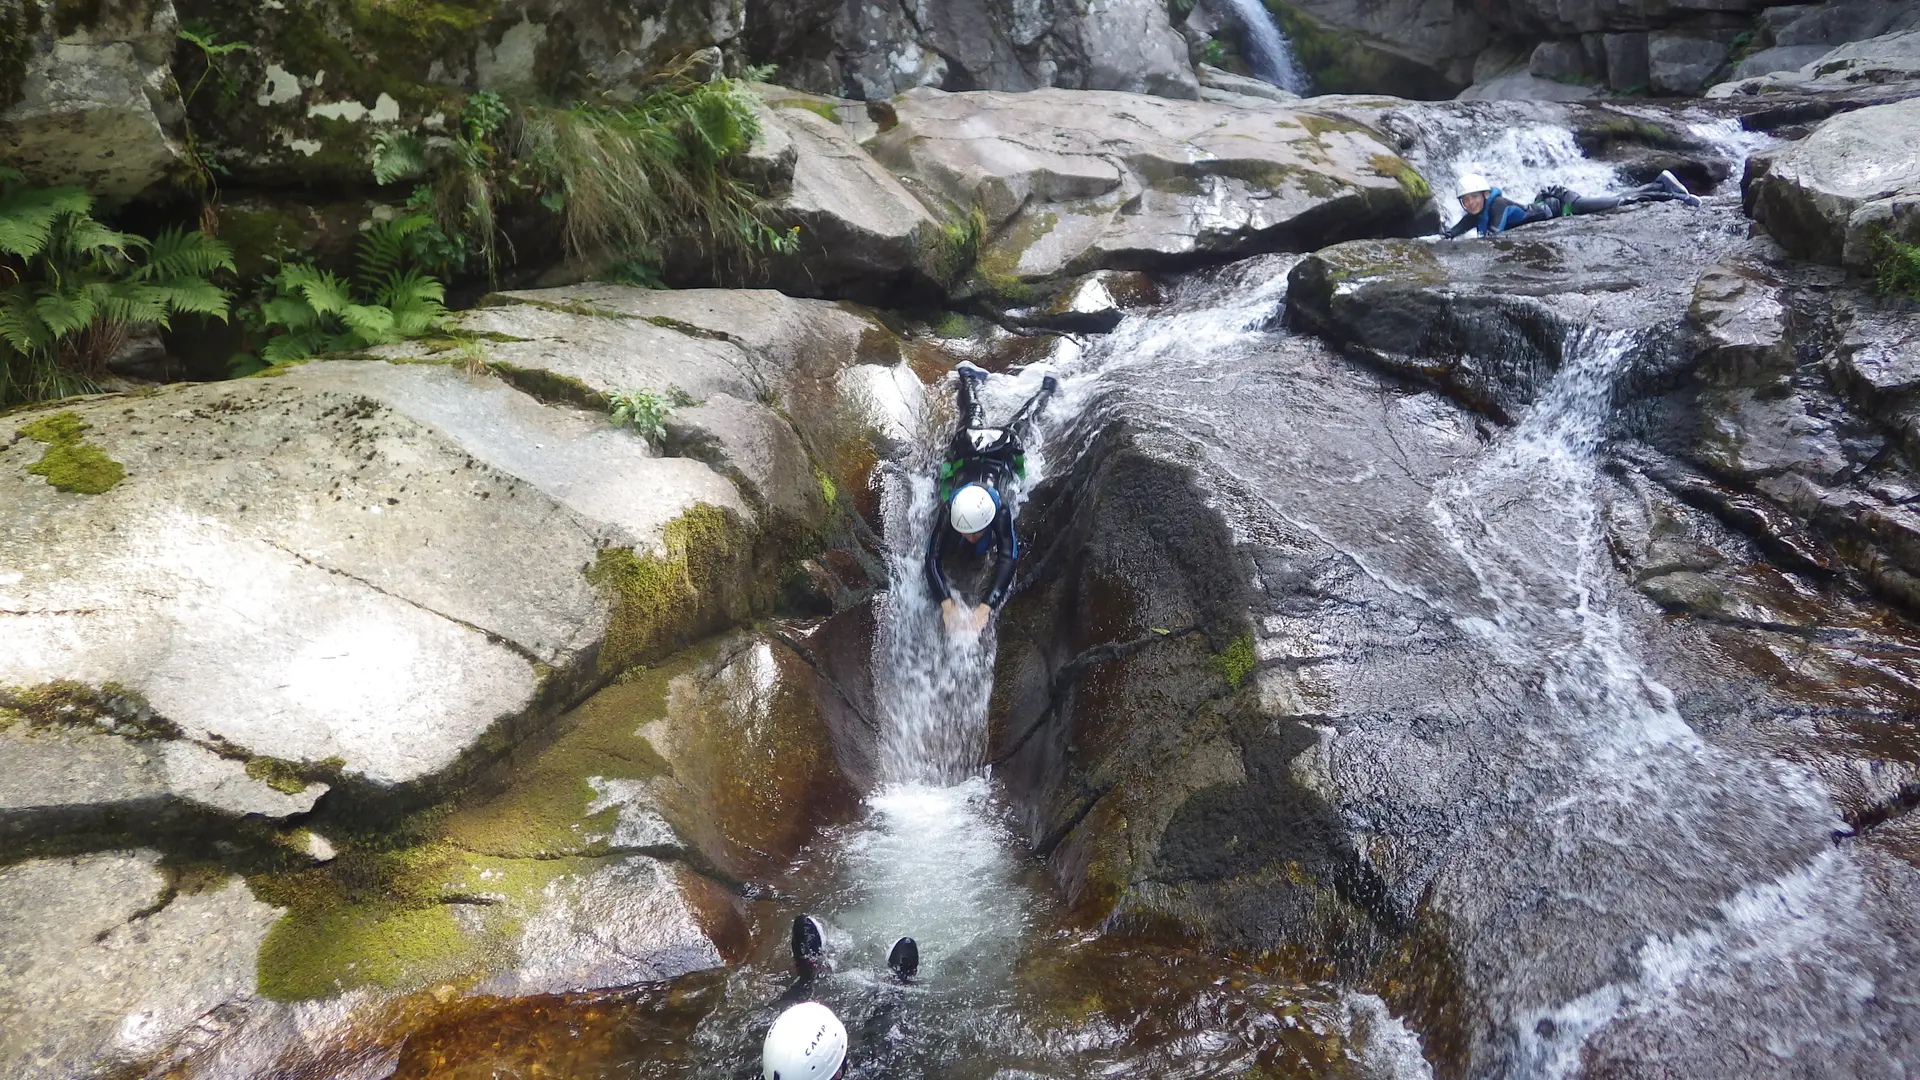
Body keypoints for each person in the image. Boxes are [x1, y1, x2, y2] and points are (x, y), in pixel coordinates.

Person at [925, 361, 1058, 634]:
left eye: (974, 532)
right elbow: (932, 558)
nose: (969, 537)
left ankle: (1046, 388)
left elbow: (1008, 558)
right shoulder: (951, 509)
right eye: (965, 532)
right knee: (971, 412)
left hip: (1003, 448)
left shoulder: (1001, 512)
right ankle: (969, 377)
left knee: (1025, 419)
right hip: (969, 446)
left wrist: (986, 606)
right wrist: (946, 604)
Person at [1442, 169, 1701, 239]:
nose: (1470, 203)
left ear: (1485, 195)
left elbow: (1492, 236)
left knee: (1620, 202)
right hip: (1554, 206)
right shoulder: (1480, 212)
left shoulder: (1498, 206)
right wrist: (1448, 235)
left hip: (1564, 204)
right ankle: (1659, 185)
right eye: (1466, 200)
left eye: (1474, 197)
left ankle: (1668, 191)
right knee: (1618, 199)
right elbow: (1465, 224)